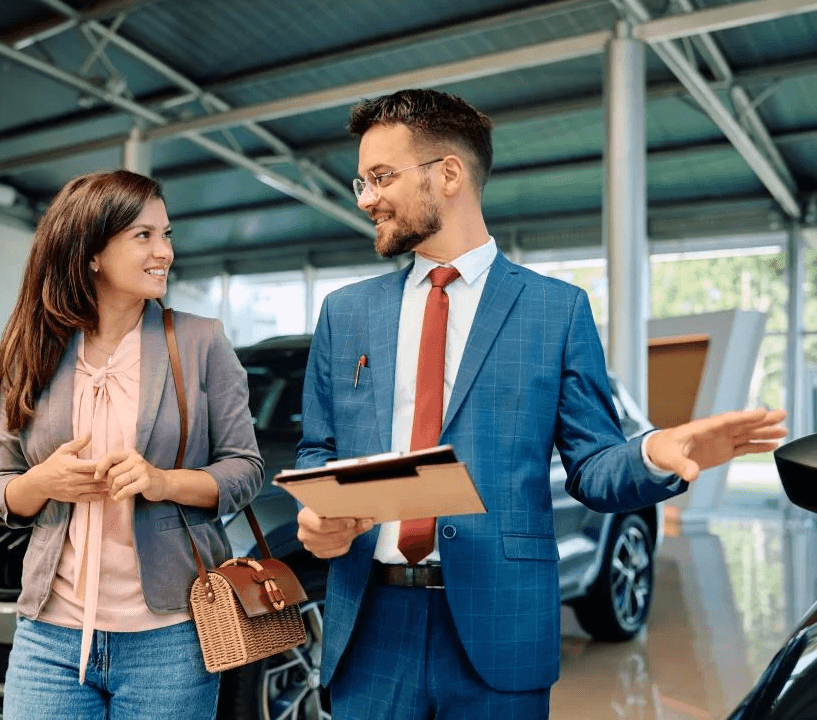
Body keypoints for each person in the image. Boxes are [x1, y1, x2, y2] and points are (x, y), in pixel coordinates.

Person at [294, 89, 787, 720]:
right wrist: (319, 515)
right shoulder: (346, 312)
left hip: (501, 628)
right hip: (369, 630)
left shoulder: (556, 310)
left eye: (381, 177)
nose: (365, 198)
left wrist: (654, 453)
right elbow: (320, 451)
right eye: (361, 180)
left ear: (448, 174)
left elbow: (592, 466)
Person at [0, 169, 263, 719]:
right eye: (144, 236)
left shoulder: (200, 341)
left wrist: (162, 482)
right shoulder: (35, 350)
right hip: (49, 636)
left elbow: (246, 469)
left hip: (170, 637)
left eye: (167, 235)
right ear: (91, 252)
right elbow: (2, 487)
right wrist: (41, 483)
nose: (165, 252)